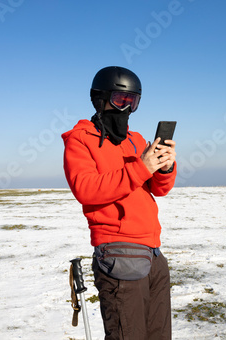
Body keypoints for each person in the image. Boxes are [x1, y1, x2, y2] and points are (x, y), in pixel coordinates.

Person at [62, 66, 177, 339]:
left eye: (132, 101)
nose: (125, 108)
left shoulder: (136, 141)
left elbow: (158, 190)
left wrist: (163, 168)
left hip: (153, 253)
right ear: (99, 99)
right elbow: (86, 189)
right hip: (118, 253)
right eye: (119, 99)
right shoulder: (80, 140)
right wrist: (141, 167)